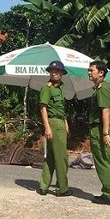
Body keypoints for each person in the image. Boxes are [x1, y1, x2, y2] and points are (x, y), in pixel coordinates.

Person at [37, 60, 71, 197]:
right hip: (53, 124)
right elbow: (43, 108)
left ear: (62, 73)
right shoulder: (47, 88)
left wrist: (66, 123)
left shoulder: (61, 87)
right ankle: (62, 188)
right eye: (52, 71)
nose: (54, 73)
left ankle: (44, 186)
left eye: (57, 71)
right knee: (62, 158)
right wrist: (47, 127)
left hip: (60, 122)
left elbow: (61, 108)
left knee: (51, 157)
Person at [88, 61, 110, 206]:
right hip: (99, 129)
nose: (89, 72)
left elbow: (105, 111)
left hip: (101, 129)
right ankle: (107, 193)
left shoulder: (103, 89)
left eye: (91, 70)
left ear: (101, 73)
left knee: (103, 162)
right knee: (102, 161)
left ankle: (109, 196)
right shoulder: (100, 88)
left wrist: (105, 133)